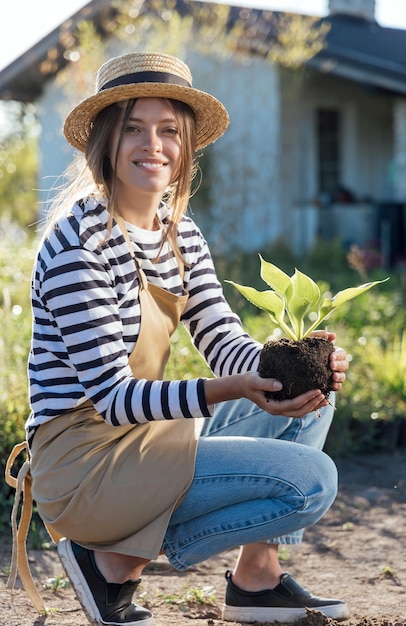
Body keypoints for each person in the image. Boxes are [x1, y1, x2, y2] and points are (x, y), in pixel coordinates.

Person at [23, 52, 350, 626]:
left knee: (305, 405)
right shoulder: (82, 244)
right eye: (133, 128)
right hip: (85, 462)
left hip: (146, 440)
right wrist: (231, 390)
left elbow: (224, 339)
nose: (154, 145)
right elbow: (113, 397)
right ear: (105, 141)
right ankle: (109, 561)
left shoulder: (179, 234)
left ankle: (256, 580)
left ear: (186, 146)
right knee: (311, 483)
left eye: (169, 130)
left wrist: (295, 367)